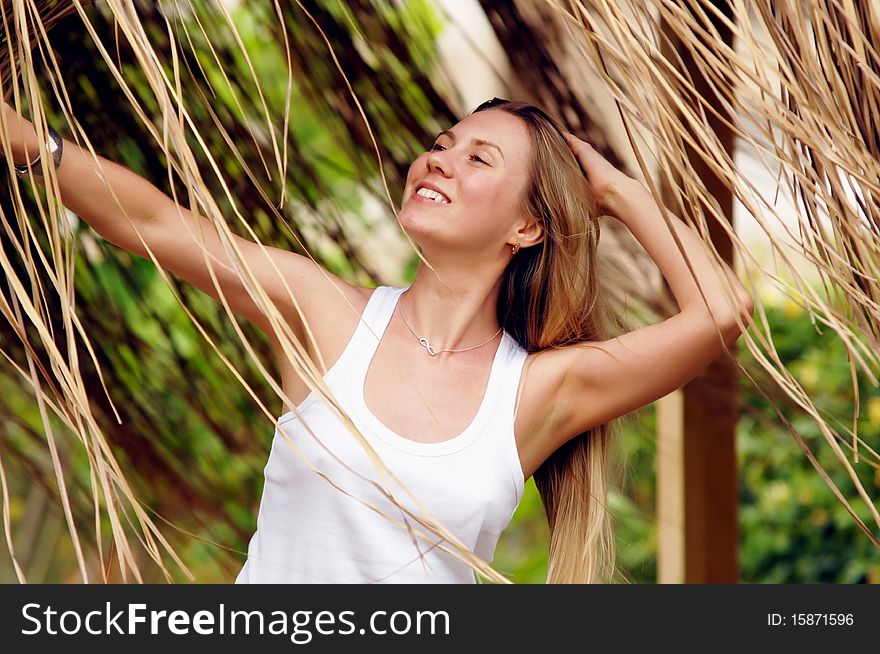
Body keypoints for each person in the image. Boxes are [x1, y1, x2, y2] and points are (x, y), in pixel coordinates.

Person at [1, 96, 754, 583]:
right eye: (442, 143)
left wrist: (615, 191)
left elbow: (719, 312)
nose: (438, 159)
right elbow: (162, 224)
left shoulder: (536, 393)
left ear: (527, 228)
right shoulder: (322, 310)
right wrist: (31, 142)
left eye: (477, 159)